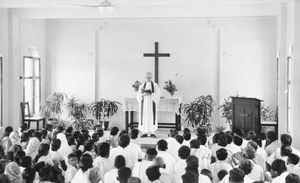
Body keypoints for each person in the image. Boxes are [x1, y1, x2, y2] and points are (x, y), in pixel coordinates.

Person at [137, 72, 160, 138]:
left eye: (149, 77)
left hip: (151, 103)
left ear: (151, 77)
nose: (148, 79)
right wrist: (144, 94)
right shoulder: (141, 85)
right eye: (147, 77)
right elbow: (138, 95)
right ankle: (144, 132)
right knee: (144, 116)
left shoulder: (155, 85)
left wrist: (151, 93)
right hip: (144, 104)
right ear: (145, 77)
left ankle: (152, 132)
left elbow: (157, 94)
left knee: (151, 116)